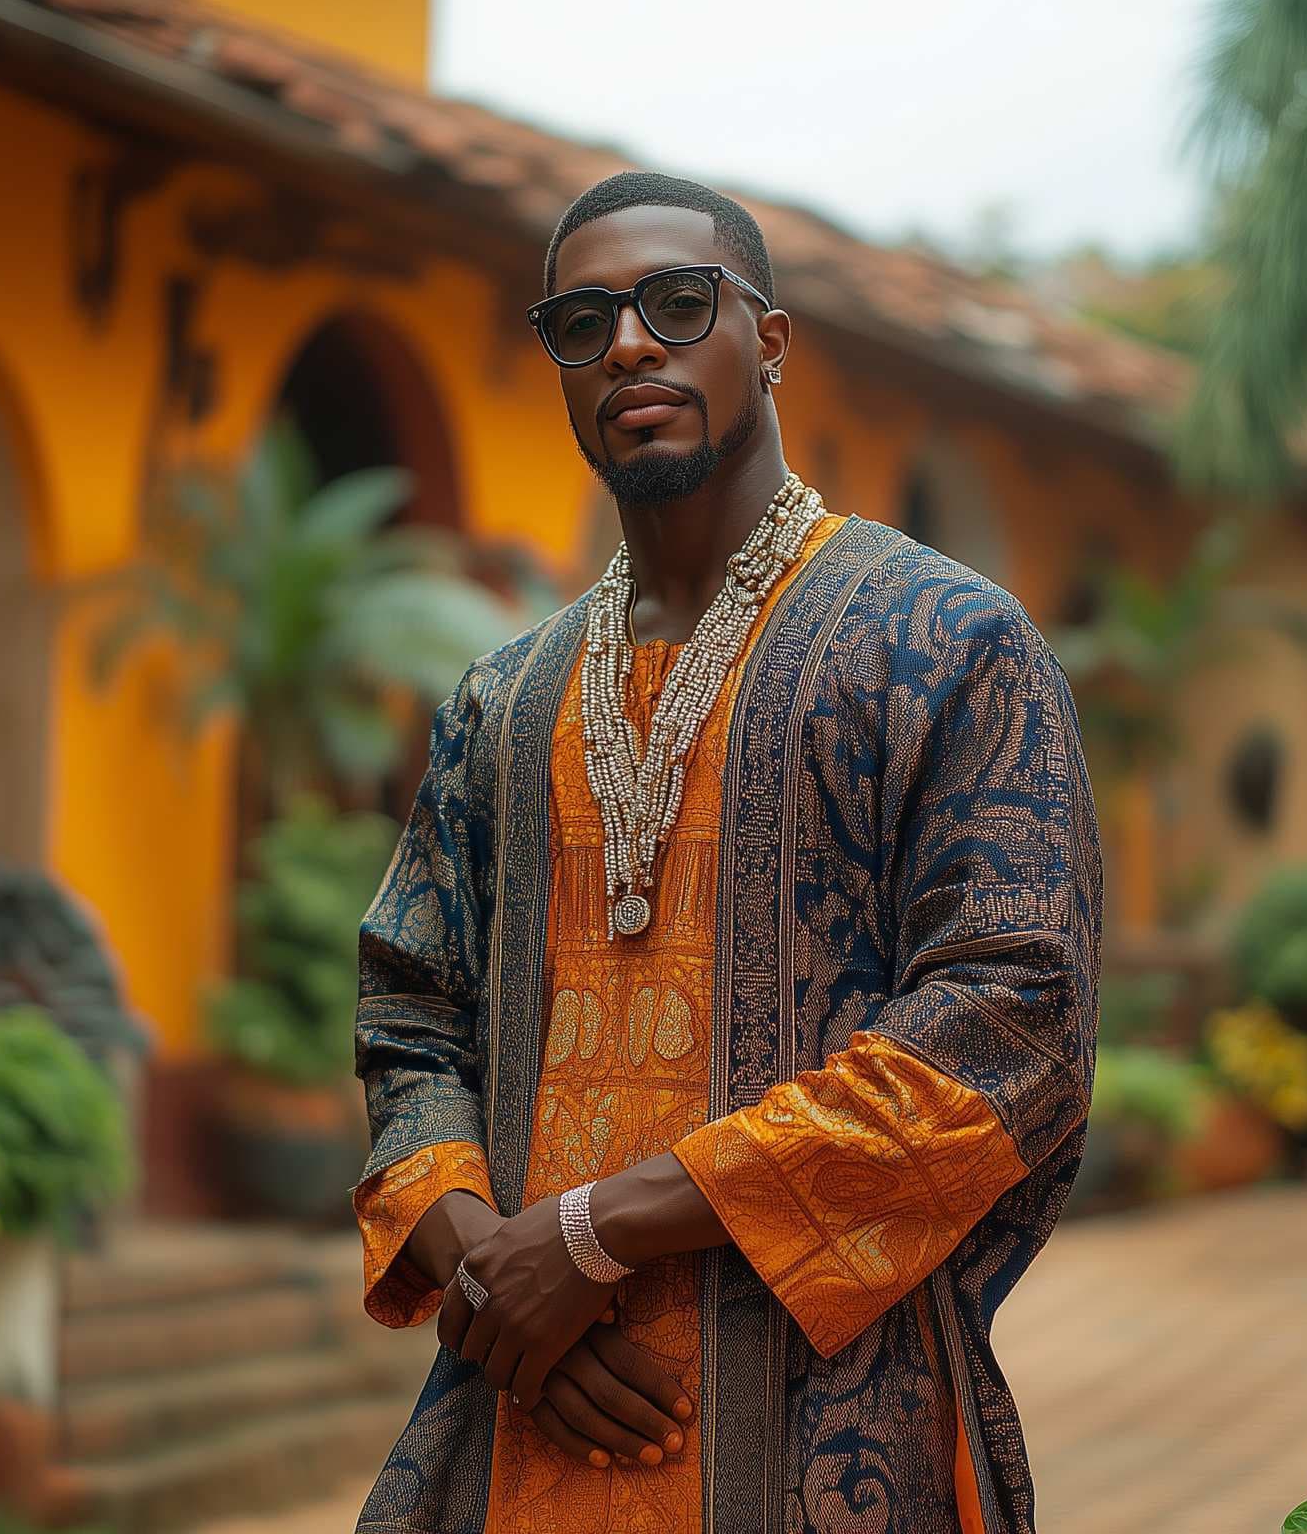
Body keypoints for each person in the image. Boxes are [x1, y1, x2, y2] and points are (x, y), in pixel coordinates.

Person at [350, 172, 1103, 1534]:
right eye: (581, 322)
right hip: (517, 1421)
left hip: (823, 1436)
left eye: (677, 302)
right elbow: (411, 1009)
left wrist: (594, 1234)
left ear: (769, 340)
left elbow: (1012, 1024)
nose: (629, 342)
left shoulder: (943, 645)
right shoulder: (504, 700)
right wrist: (494, 1280)